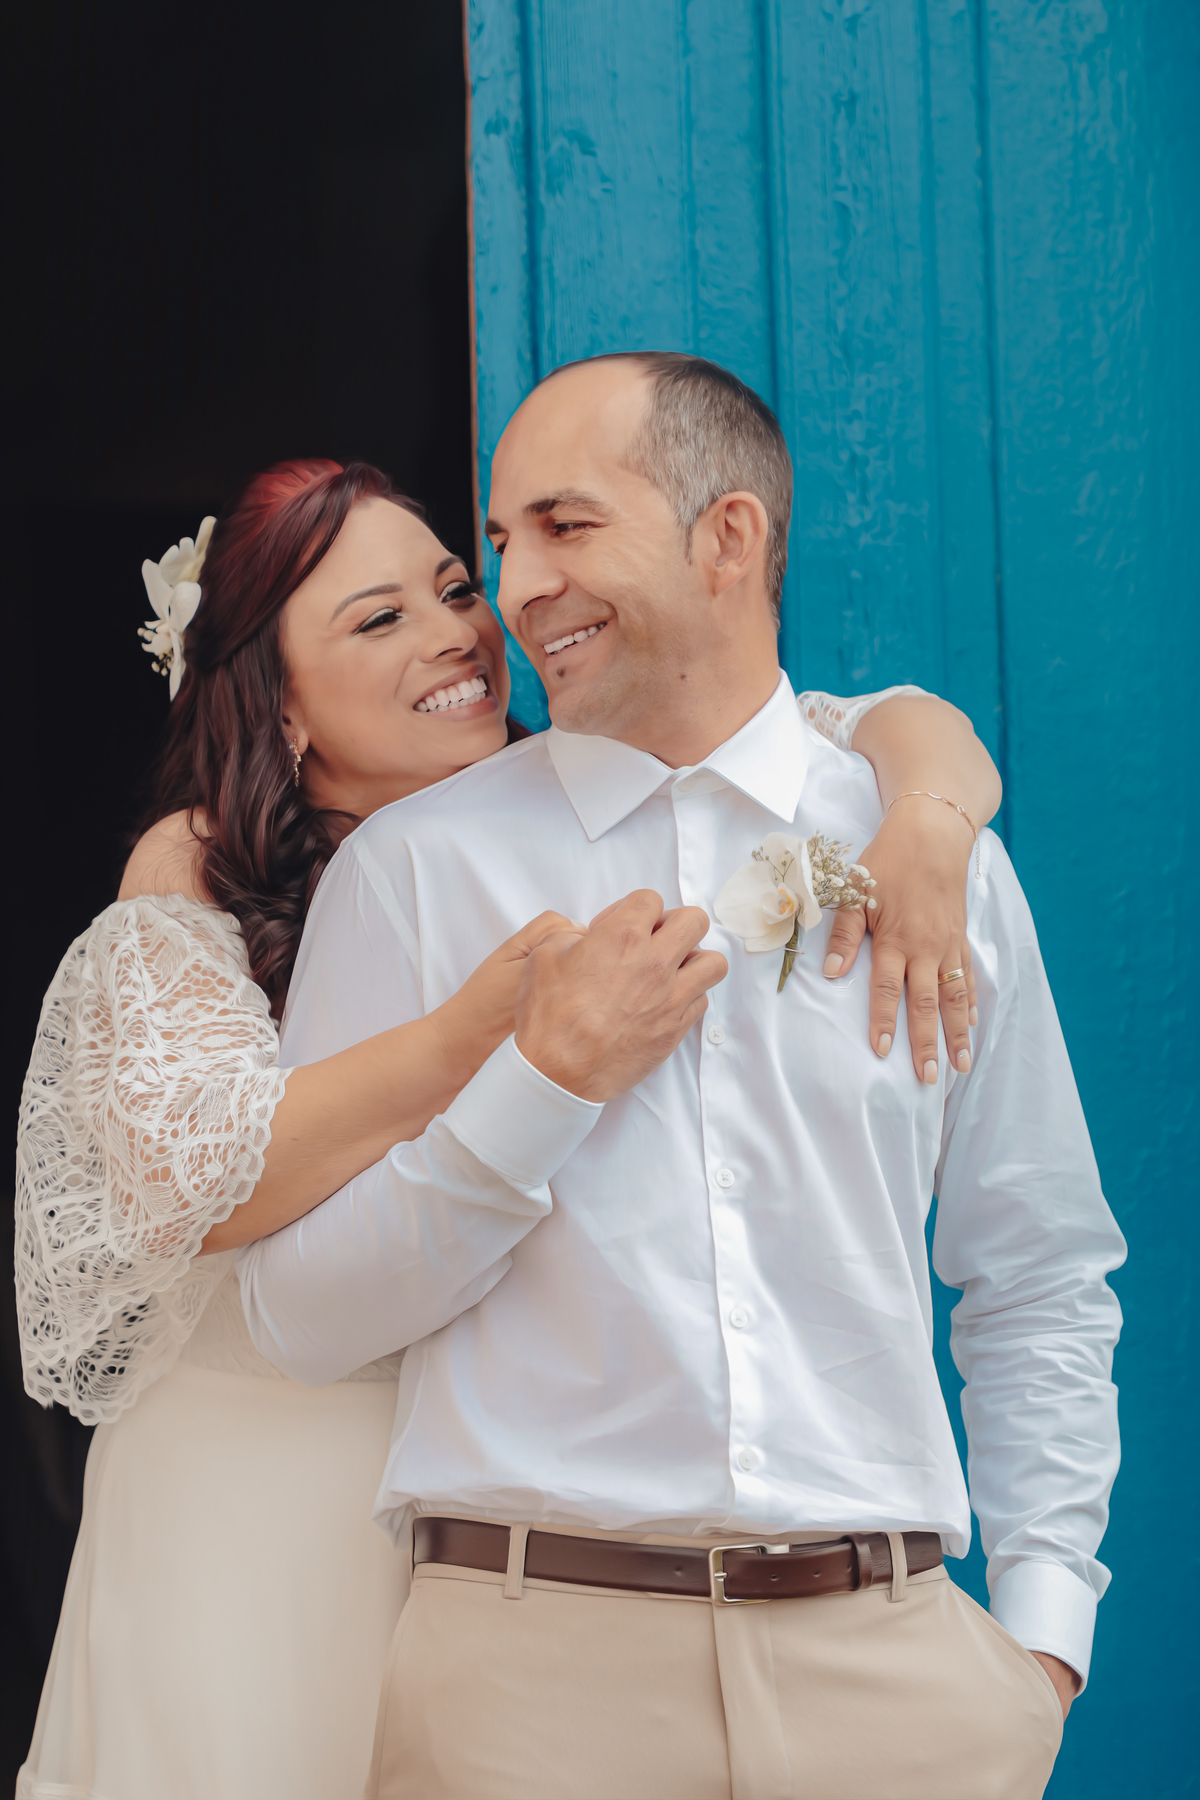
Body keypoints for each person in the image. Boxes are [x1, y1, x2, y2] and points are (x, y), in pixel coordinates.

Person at [15, 455, 1000, 1800]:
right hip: (269, 1488)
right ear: (277, 702)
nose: (457, 636)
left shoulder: (591, 793)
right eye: (381, 619)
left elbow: (864, 725)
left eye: (453, 590)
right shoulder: (205, 862)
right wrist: (489, 1033)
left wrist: (929, 812)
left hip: (522, 1528)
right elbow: (194, 1186)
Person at [239, 356, 1126, 1800]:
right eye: (504, 541)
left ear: (729, 536)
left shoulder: (930, 852)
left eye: (565, 525)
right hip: (529, 1693)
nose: (517, 588)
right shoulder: (412, 873)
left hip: (902, 1686)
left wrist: (1041, 1644)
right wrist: (541, 1087)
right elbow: (300, 1320)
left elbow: (1037, 1271)